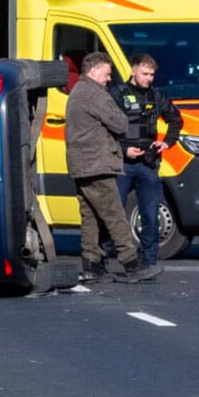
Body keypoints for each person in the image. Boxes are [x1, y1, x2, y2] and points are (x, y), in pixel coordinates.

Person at [65, 51, 162, 284]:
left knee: (90, 217)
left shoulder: (78, 91)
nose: (109, 79)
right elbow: (120, 124)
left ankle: (91, 265)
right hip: (97, 163)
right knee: (114, 215)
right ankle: (132, 264)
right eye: (107, 74)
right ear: (94, 70)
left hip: (81, 164)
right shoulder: (94, 93)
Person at [108, 53, 183, 269]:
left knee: (150, 214)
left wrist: (167, 142)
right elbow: (105, 129)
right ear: (133, 70)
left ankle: (149, 261)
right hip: (122, 163)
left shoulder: (156, 96)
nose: (149, 79)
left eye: (151, 75)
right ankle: (104, 259)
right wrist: (124, 150)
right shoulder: (117, 94)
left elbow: (175, 119)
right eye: (145, 74)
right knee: (114, 211)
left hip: (148, 163)